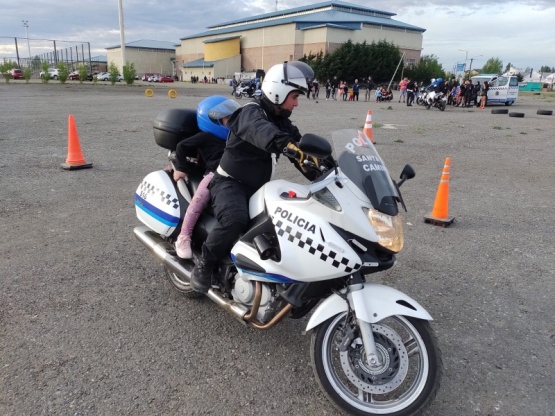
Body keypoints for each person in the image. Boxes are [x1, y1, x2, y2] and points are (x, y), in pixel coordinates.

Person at [190, 61, 317, 293]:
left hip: (258, 187)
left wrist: (325, 168)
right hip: (229, 183)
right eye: (295, 96)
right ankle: (204, 263)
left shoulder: (281, 122)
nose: (297, 103)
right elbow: (262, 132)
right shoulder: (250, 112)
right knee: (235, 220)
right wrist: (286, 146)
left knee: (286, 223)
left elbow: (300, 148)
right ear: (279, 91)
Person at [172, 96, 240, 259]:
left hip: (236, 174)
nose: (232, 123)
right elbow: (181, 147)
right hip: (214, 175)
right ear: (213, 121)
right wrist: (180, 168)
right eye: (228, 119)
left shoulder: (235, 137)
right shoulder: (206, 137)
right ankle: (184, 236)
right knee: (198, 200)